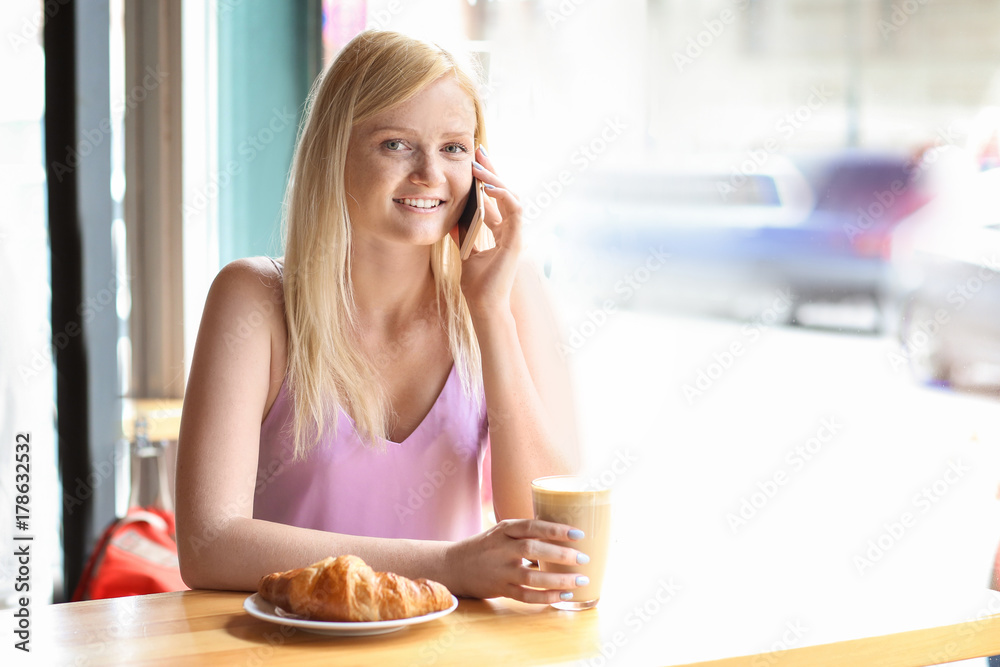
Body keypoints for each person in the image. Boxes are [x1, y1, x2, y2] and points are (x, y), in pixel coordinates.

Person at [175, 30, 585, 605]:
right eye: (396, 144)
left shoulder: (509, 292)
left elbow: (556, 537)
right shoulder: (253, 299)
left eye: (454, 148)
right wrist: (447, 566)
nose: (428, 174)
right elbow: (208, 544)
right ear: (332, 152)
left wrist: (489, 315)